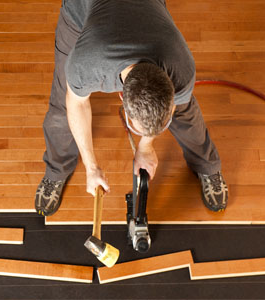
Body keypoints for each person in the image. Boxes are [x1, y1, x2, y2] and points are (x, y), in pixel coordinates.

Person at [34, 0, 228, 216]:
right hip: (81, 11)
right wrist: (91, 168)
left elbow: (171, 107)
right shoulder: (87, 64)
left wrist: (146, 147)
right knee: (62, 108)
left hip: (145, 13)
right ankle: (56, 170)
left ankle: (207, 166)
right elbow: (76, 103)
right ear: (122, 101)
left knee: (185, 110)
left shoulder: (179, 66)